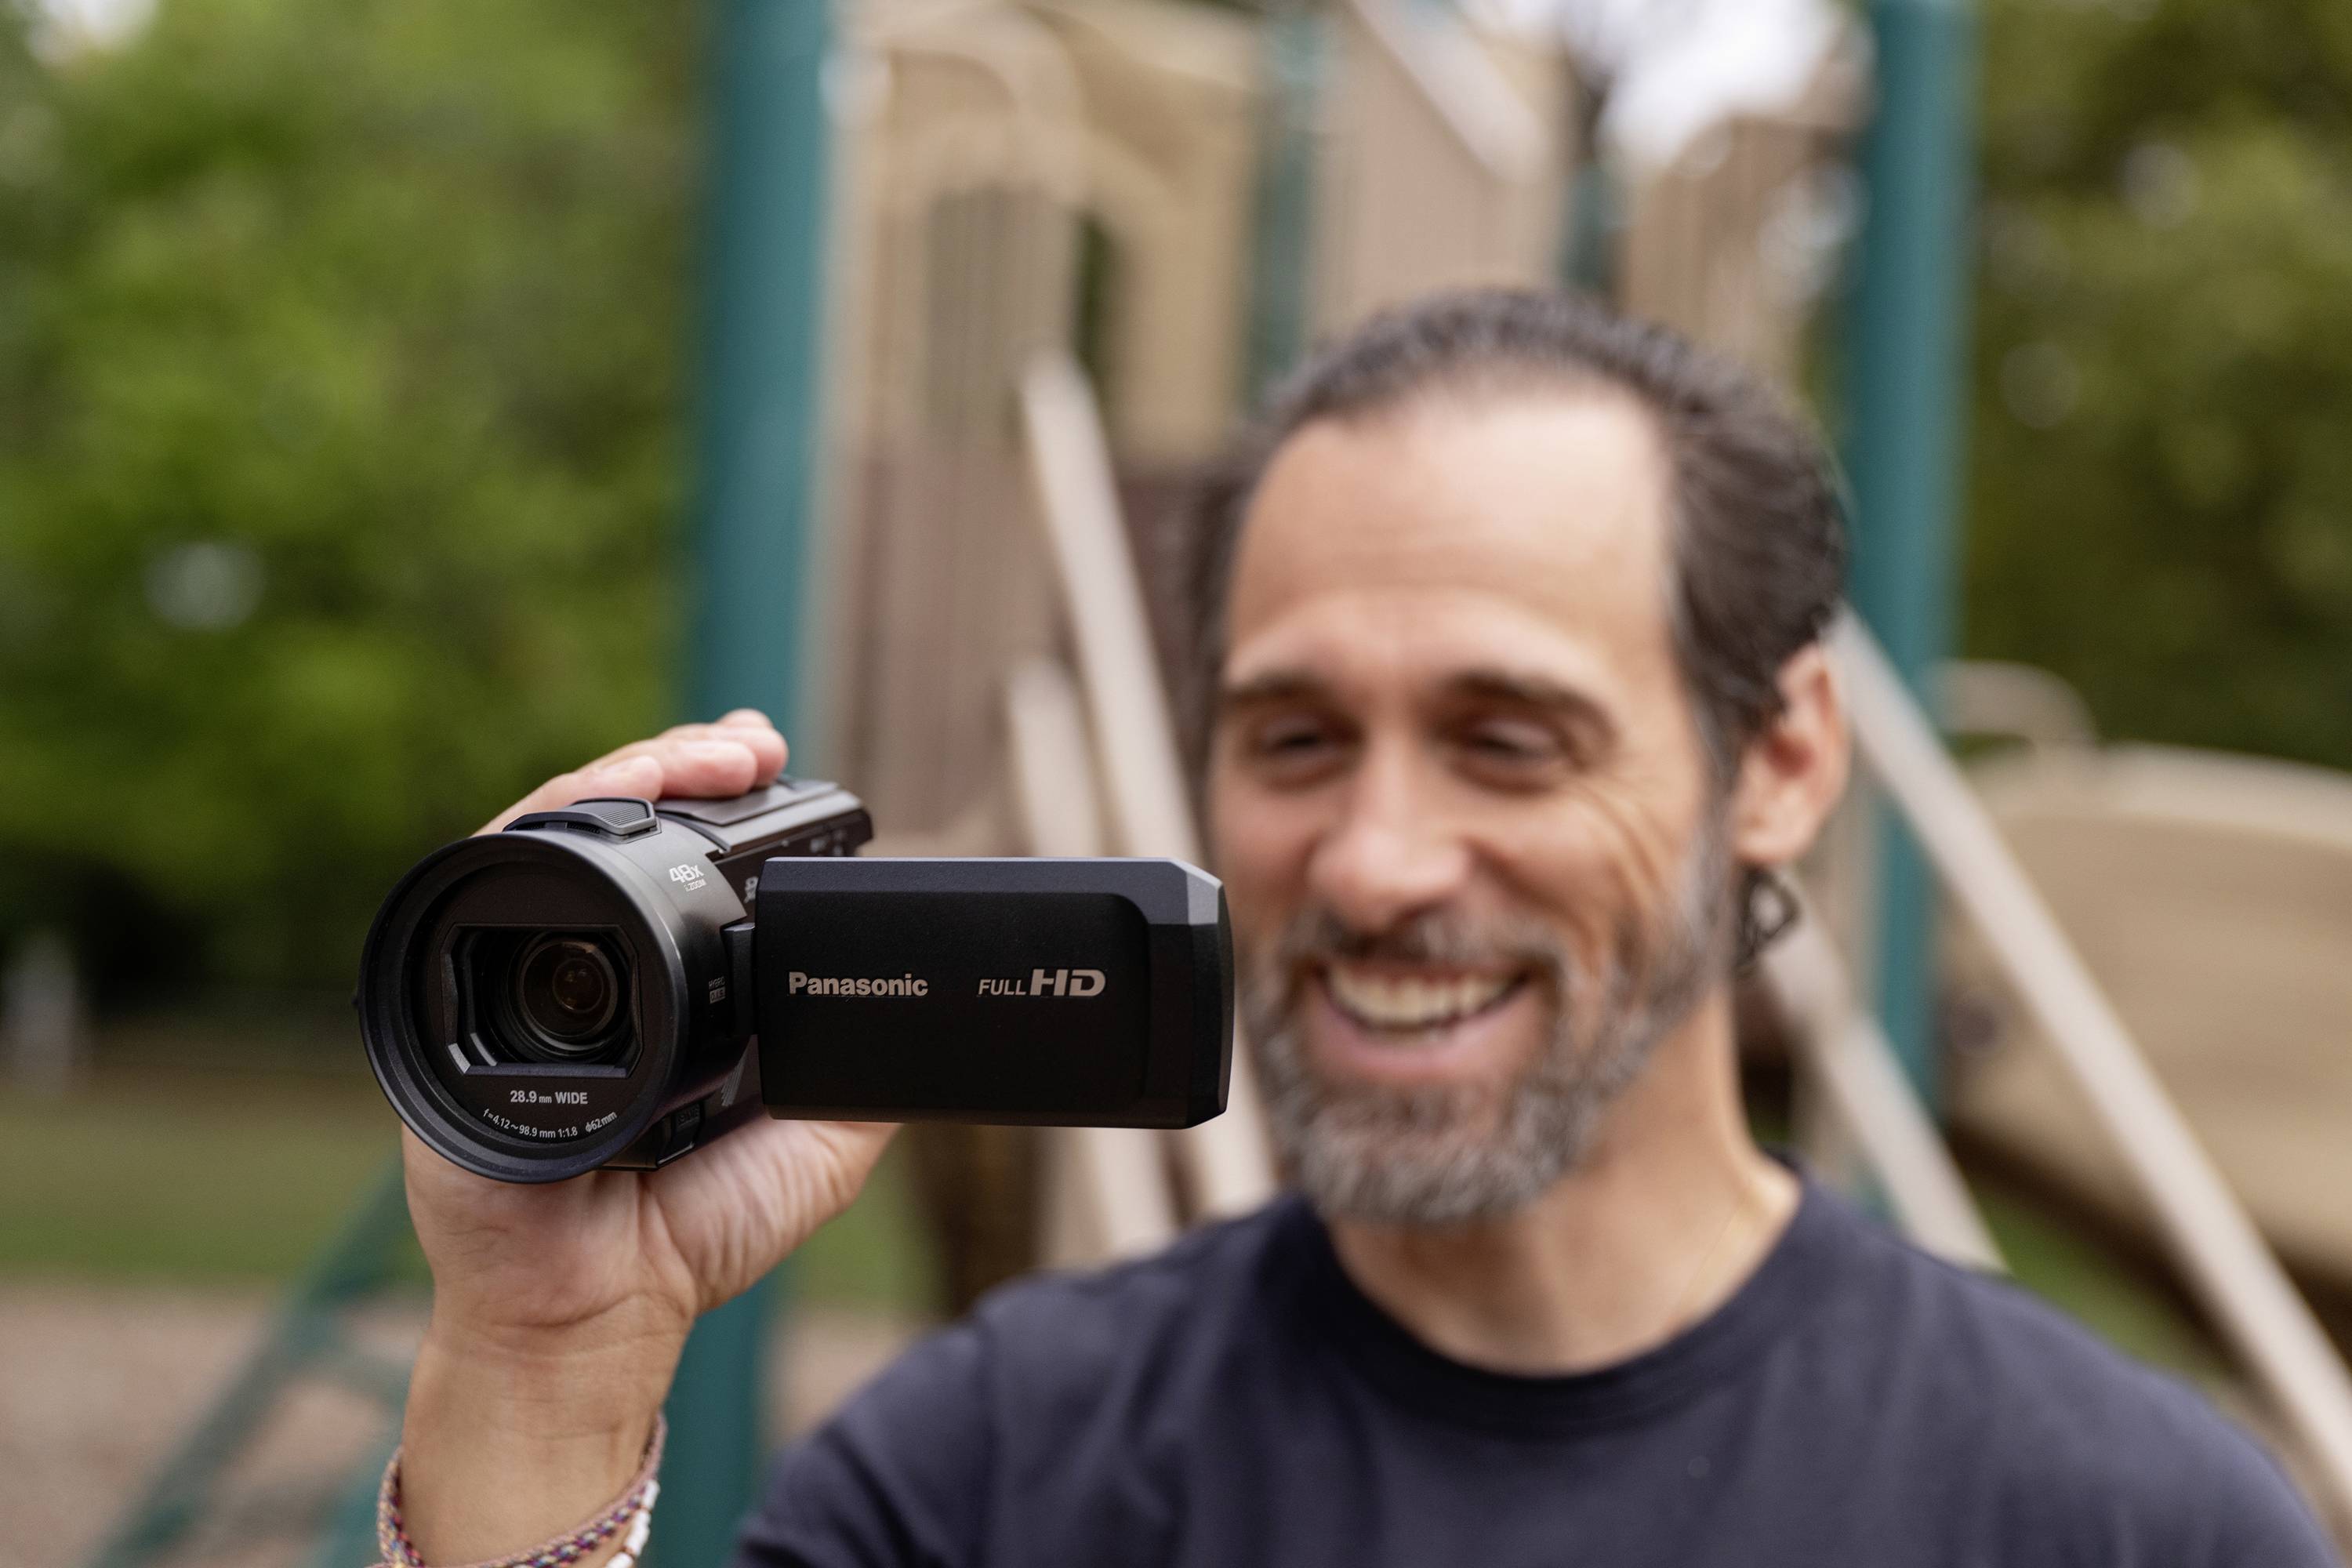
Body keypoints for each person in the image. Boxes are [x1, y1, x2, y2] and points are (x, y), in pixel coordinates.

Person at [384, 290, 2338, 1567]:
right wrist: (543, 1363)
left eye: (1509, 737)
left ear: (1783, 754)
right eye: (1298, 736)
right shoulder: (983, 1476)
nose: (1382, 859)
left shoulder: (2127, 1522)